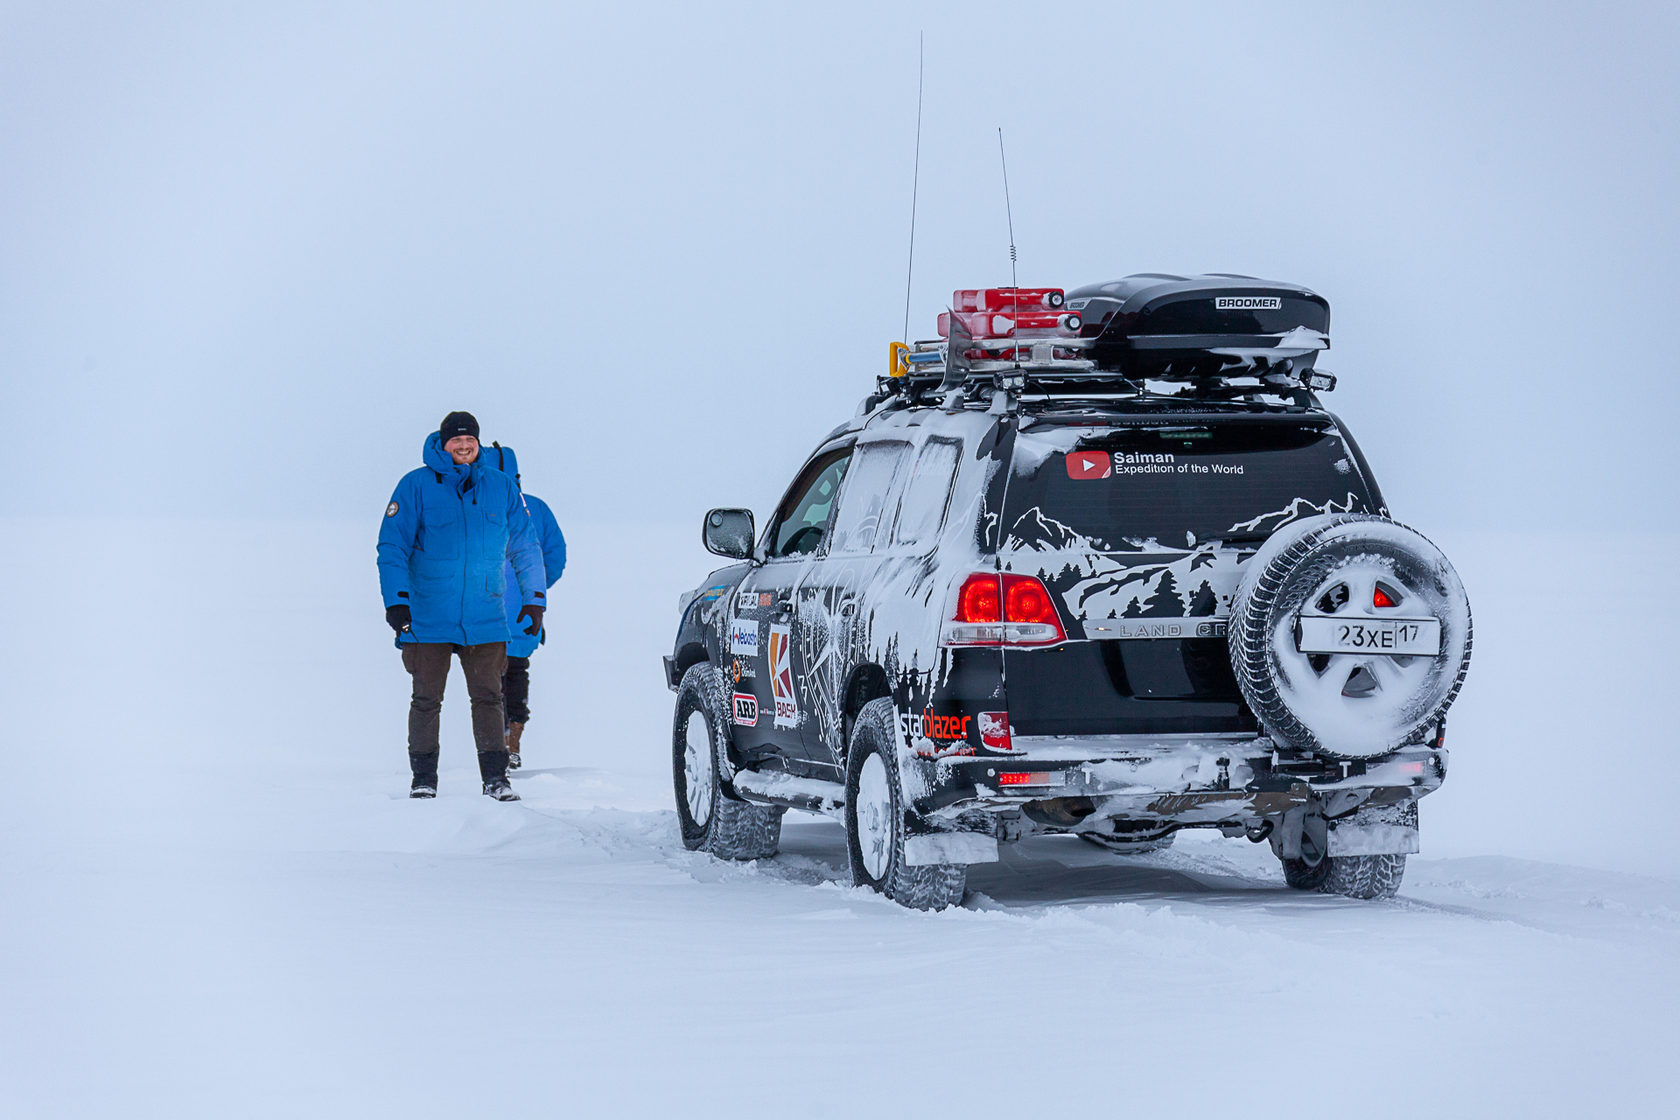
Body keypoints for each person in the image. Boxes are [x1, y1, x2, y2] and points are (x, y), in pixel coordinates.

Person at [377, 411, 546, 801]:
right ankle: (423, 779)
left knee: (489, 697)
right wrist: (396, 602)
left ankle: (495, 779)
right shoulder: (414, 486)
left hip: (485, 615)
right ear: (443, 443)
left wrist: (535, 599)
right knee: (425, 699)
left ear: (478, 443)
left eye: (470, 440)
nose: (464, 447)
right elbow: (392, 547)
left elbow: (525, 546)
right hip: (428, 615)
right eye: (456, 441)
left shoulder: (501, 487)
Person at [480, 443, 566, 770]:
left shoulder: (473, 506)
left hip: (481, 608)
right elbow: (555, 557)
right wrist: (534, 591)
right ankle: (512, 740)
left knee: (487, 678)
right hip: (524, 610)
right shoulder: (537, 508)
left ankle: (494, 743)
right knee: (516, 671)